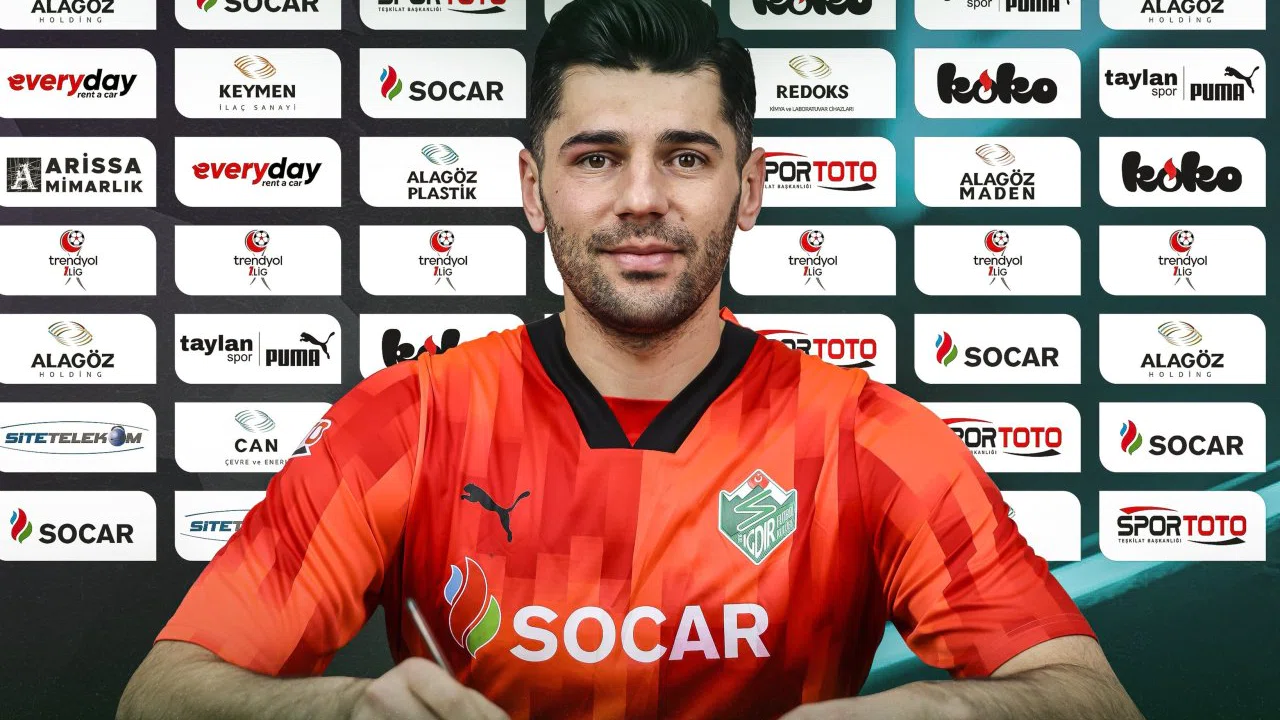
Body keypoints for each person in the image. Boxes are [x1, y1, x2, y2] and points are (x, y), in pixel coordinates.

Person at [117, 0, 1144, 718]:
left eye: (686, 157)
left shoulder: (867, 439)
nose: (642, 198)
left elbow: (1089, 697)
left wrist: (931, 712)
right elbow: (161, 694)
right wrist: (345, 711)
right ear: (533, 190)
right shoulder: (410, 421)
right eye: (597, 157)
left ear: (749, 190)